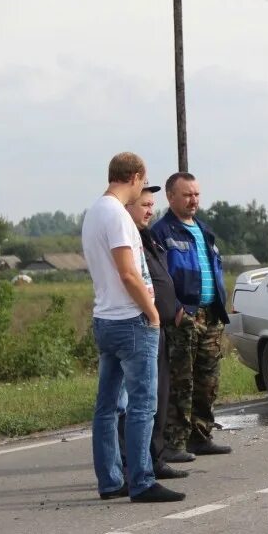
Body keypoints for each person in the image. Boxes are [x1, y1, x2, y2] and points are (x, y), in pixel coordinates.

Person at [80, 152, 185, 503]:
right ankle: (141, 480)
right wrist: (152, 312)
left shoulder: (94, 213)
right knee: (143, 403)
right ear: (137, 176)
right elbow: (128, 272)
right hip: (130, 319)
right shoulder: (118, 216)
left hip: (105, 317)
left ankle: (110, 480)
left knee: (107, 405)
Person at [151, 172, 232, 461]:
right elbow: (160, 278)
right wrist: (174, 311)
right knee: (180, 381)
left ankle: (201, 435)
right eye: (187, 195)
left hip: (211, 315)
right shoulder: (162, 232)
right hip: (184, 317)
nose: (193, 199)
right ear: (171, 197)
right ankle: (173, 443)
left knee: (207, 379)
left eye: (196, 194)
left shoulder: (204, 230)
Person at [117, 184, 189, 480]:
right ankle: (135, 462)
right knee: (139, 400)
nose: (150, 210)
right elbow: (131, 279)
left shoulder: (147, 237)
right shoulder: (126, 239)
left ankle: (155, 457)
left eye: (151, 205)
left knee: (158, 394)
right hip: (141, 325)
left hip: (160, 324)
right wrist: (154, 312)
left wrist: (174, 306)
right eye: (144, 204)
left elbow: (160, 278)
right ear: (128, 207)